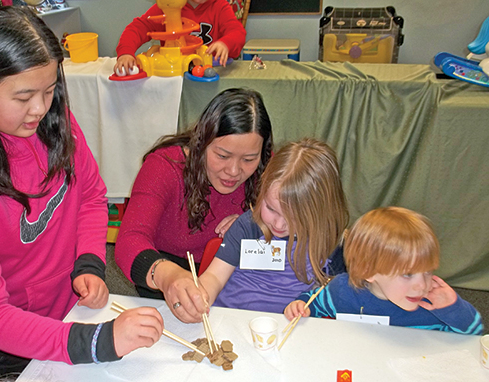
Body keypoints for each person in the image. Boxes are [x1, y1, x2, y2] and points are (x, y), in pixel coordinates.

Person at [0, 7, 163, 379]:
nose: (40, 108)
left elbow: (92, 197)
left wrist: (88, 263)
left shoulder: (53, 120)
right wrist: (97, 342)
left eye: (50, 90)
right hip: (9, 333)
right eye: (23, 97)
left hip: (70, 307)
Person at [115, 88, 273, 323]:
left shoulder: (267, 171)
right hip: (165, 277)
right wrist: (167, 274)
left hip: (233, 279)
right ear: (202, 143)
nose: (233, 171)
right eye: (222, 155)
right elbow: (129, 241)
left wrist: (255, 219)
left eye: (249, 159)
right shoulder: (164, 168)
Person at [196, 138, 349, 314]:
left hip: (289, 330)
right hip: (231, 317)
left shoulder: (331, 241)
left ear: (320, 212)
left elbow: (338, 295)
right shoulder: (248, 226)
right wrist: (199, 297)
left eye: (294, 218)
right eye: (270, 208)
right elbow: (215, 277)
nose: (278, 224)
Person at [284, 207, 484, 335]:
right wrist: (301, 305)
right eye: (408, 274)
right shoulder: (343, 291)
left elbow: (474, 334)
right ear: (368, 270)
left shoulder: (433, 302)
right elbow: (316, 302)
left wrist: (453, 308)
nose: (422, 285)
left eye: (428, 271)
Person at [115, 0, 246, 73]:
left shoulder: (220, 6)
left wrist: (225, 43)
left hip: (208, 77)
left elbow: (237, 32)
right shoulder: (168, 5)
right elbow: (138, 28)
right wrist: (126, 53)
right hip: (175, 78)